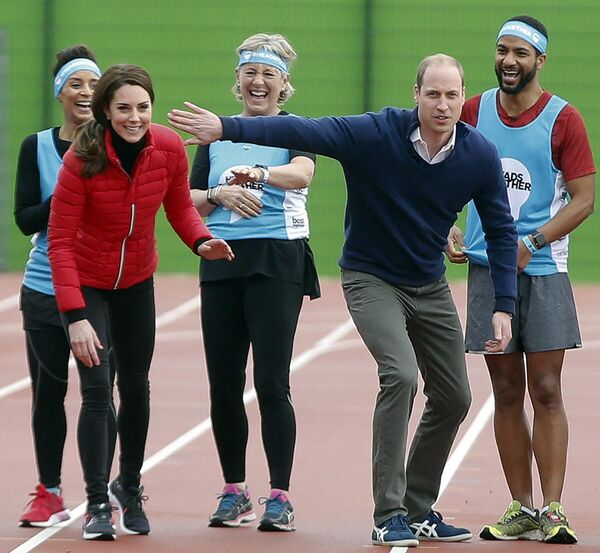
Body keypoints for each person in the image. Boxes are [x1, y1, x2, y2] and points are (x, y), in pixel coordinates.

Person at [169, 53, 518, 548]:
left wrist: (504, 303)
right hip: (370, 277)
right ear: (415, 95)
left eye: (452, 95)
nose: (443, 105)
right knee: (399, 375)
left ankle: (419, 507)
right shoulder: (376, 133)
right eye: (433, 94)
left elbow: (502, 229)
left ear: (465, 98)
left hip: (429, 283)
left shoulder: (478, 155)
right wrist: (224, 128)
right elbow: (308, 131)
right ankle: (388, 513)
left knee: (455, 395)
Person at [48, 64, 233, 541]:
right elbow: (60, 242)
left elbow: (178, 207)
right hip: (88, 283)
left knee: (136, 386)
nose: (135, 118)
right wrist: (74, 317)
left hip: (136, 281)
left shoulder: (167, 147)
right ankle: (95, 504)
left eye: (143, 108)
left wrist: (202, 241)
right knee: (95, 389)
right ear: (107, 112)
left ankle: (128, 485)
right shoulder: (81, 160)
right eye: (124, 109)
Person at [446, 15, 595, 545]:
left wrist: (532, 243)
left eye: (521, 53)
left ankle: (553, 508)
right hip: (489, 272)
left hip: (544, 269)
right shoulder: (471, 112)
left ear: (540, 60)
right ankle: (521, 507)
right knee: (505, 391)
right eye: (502, 50)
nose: (509, 61)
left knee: (547, 389)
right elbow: (445, 173)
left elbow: (584, 199)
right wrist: (449, 227)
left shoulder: (563, 119)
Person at [189, 33, 318, 532]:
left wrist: (256, 174)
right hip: (220, 260)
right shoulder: (215, 135)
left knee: (270, 382)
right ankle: (234, 490)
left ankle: (280, 496)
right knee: (223, 385)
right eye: (250, 73)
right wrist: (219, 192)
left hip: (276, 261)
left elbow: (303, 174)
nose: (258, 82)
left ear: (284, 84)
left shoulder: (294, 128)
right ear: (238, 80)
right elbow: (188, 197)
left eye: (268, 74)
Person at [14, 45, 118, 528]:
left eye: (93, 83)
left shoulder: (117, 144)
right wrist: (68, 192)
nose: (84, 90)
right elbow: (23, 220)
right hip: (43, 286)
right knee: (48, 392)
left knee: (101, 391)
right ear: (61, 92)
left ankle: (106, 491)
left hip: (97, 283)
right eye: (75, 83)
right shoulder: (35, 147)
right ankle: (49, 490)